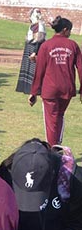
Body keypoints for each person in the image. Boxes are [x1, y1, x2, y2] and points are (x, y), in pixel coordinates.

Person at [28, 16, 82, 146]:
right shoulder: (73, 45)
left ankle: (52, 149)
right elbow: (81, 68)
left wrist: (34, 92)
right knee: (60, 116)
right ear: (65, 30)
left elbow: (39, 71)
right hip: (67, 89)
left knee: (51, 120)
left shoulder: (46, 46)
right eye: (70, 30)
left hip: (50, 90)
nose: (70, 33)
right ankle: (57, 145)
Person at [16, 8, 47, 95]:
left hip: (35, 48)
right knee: (28, 68)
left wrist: (35, 52)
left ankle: (34, 89)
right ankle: (26, 88)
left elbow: (39, 39)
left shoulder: (40, 25)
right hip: (30, 47)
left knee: (34, 70)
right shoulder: (33, 25)